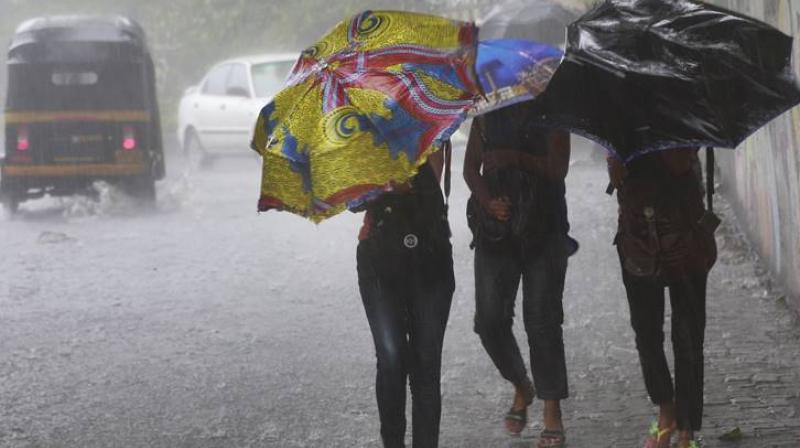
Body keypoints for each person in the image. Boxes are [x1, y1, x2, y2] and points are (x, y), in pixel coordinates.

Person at [463, 102, 572, 448]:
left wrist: (514, 157)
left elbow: (558, 169)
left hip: (545, 230)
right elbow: (470, 170)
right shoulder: (486, 112)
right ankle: (521, 384)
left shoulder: (555, 112)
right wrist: (487, 201)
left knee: (542, 321)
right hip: (496, 231)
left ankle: (552, 412)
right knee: (489, 320)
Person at [608, 148, 717, 448]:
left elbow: (681, 164)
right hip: (637, 237)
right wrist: (615, 160)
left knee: (689, 336)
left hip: (684, 234)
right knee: (646, 332)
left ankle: (686, 429)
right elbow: (617, 179)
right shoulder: (616, 116)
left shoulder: (681, 106)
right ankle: (665, 410)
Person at [356, 146, 455, 448]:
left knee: (426, 363)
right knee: (391, 358)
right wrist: (381, 185)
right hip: (380, 259)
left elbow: (431, 179)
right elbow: (350, 197)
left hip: (430, 256)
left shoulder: (433, 122)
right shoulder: (363, 131)